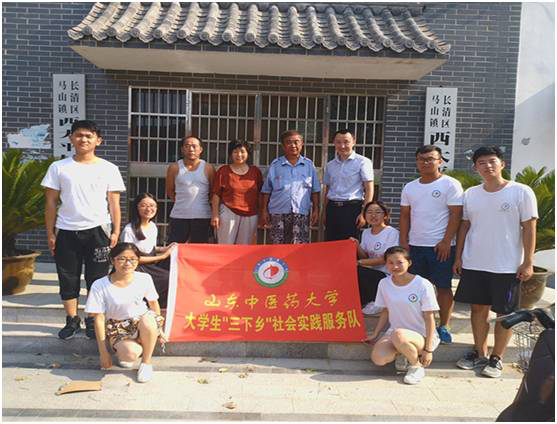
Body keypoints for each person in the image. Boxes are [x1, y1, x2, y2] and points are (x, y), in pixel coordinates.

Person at [453, 146, 537, 378]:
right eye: (482, 163)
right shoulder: (471, 194)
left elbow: (530, 227)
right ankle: (480, 353)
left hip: (507, 265)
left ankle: (496, 358)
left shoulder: (521, 191)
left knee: (504, 313)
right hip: (475, 262)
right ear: (475, 168)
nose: (487, 166)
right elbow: (464, 226)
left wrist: (528, 261)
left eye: (492, 161)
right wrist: (459, 256)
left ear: (502, 164)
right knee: (478, 309)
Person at [42, 120, 125, 340]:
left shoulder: (109, 168)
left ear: (98, 140)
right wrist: (50, 233)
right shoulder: (58, 167)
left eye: (89, 136)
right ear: (71, 138)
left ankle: (92, 318)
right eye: (79, 135)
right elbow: (50, 202)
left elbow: (114, 203)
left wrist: (115, 231)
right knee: (67, 276)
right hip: (66, 230)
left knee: (96, 278)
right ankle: (71, 319)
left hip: (98, 230)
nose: (84, 139)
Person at [399, 145, 463, 344]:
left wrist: (446, 241)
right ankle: (420, 325)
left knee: (443, 287)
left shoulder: (450, 184)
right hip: (415, 246)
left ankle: (444, 325)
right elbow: (405, 216)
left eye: (430, 159)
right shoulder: (410, 187)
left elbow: (456, 215)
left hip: (440, 247)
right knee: (418, 287)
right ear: (417, 162)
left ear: (440, 161)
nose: (426, 162)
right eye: (422, 159)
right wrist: (404, 242)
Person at [85, 243, 165, 383]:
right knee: (130, 355)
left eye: (133, 259)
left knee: (148, 320)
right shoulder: (99, 285)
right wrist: (103, 353)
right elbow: (99, 319)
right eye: (122, 259)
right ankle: (141, 342)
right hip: (117, 326)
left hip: (141, 321)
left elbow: (153, 304)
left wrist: (159, 329)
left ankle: (146, 363)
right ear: (113, 260)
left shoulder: (144, 278)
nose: (128, 263)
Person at [366, 246, 440, 385]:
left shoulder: (422, 284)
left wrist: (428, 349)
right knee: (379, 358)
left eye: (400, 262)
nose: (395, 266)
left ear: (409, 263)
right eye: (390, 263)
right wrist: (376, 333)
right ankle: (405, 353)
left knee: (399, 335)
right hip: (395, 334)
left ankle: (416, 366)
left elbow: (429, 317)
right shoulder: (384, 283)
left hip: (421, 335)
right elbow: (386, 310)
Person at [260, 130, 320, 244]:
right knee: (277, 246)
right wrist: (264, 210)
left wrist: (316, 210)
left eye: (296, 142)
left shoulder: (308, 165)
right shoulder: (275, 165)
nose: (293, 145)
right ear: (283, 146)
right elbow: (266, 190)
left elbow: (315, 190)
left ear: (302, 144)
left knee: (298, 247)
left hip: (300, 212)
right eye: (289, 142)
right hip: (278, 212)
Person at [121, 193, 177, 308]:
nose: (148, 209)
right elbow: (130, 258)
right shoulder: (129, 230)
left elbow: (150, 248)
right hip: (135, 267)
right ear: (136, 207)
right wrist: (162, 256)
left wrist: (165, 249)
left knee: (174, 271)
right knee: (167, 278)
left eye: (152, 206)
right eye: (144, 205)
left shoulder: (152, 226)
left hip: (150, 264)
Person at [323, 129, 374, 241]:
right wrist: (324, 212)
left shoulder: (363, 162)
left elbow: (369, 188)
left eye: (346, 142)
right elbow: (327, 189)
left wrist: (364, 213)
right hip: (332, 208)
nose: (342, 146)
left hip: (352, 209)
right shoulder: (330, 165)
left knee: (350, 243)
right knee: (331, 243)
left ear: (353, 142)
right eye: (338, 142)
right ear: (334, 143)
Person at [350, 201, 399, 315]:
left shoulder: (392, 233)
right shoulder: (366, 233)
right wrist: (356, 245)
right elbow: (365, 256)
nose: (373, 215)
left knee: (358, 270)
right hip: (372, 273)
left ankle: (376, 301)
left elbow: (385, 259)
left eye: (377, 212)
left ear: (385, 215)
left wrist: (358, 262)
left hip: (387, 275)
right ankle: (363, 302)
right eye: (369, 212)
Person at [211, 140, 263, 244]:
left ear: (248, 153)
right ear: (230, 154)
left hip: (251, 214)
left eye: (242, 151)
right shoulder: (223, 171)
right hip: (228, 212)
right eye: (235, 152)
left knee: (244, 247)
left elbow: (260, 193)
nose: (239, 155)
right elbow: (216, 194)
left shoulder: (255, 171)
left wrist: (261, 213)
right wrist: (215, 214)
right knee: (225, 246)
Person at [165, 135, 215, 244]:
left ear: (200, 149)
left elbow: (212, 191)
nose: (191, 149)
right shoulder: (174, 168)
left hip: (202, 216)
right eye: (187, 146)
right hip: (179, 215)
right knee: (175, 248)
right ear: (182, 149)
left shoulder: (208, 168)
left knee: (200, 249)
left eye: (194, 146)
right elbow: (170, 190)